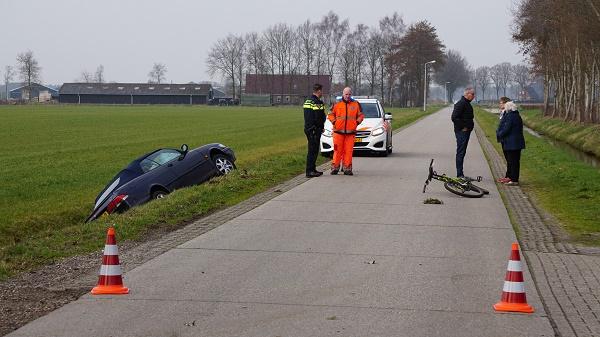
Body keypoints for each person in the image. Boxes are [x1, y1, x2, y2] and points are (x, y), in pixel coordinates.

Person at [327, 87, 364, 175]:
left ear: (351, 94)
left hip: (350, 133)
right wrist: (334, 122)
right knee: (337, 150)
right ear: (343, 94)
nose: (347, 96)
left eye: (349, 94)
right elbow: (330, 114)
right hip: (338, 132)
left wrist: (357, 122)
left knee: (348, 151)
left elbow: (361, 115)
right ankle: (335, 168)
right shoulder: (336, 104)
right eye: (346, 94)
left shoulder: (356, 104)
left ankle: (347, 168)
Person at [496, 99, 525, 186]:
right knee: (514, 161)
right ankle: (510, 177)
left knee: (513, 161)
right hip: (515, 142)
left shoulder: (510, 116)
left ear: (508, 108)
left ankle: (514, 179)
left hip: (512, 143)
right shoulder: (516, 115)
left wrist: (499, 134)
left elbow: (506, 128)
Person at [303, 83, 327, 178]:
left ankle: (312, 169)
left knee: (311, 150)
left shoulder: (307, 101)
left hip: (309, 129)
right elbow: (319, 117)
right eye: (322, 91)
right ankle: (310, 171)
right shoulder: (317, 102)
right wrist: (320, 127)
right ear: (319, 91)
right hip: (314, 130)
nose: (322, 92)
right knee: (313, 150)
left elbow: (308, 117)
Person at [451, 87, 475, 178]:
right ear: (467, 94)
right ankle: (459, 174)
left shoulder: (466, 103)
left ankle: (461, 174)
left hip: (466, 132)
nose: (473, 96)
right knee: (460, 152)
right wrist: (463, 127)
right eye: (472, 94)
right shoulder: (461, 104)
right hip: (462, 132)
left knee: (462, 152)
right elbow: (454, 117)